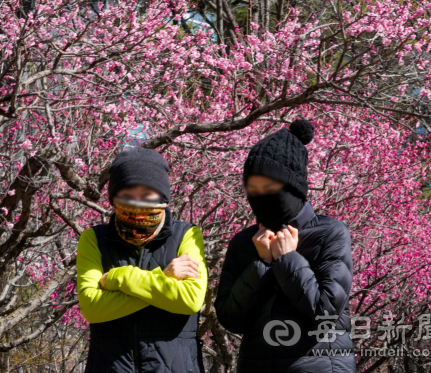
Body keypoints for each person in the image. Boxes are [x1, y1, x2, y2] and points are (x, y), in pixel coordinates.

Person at [215, 119, 355, 373]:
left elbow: (326, 313)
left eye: (269, 187)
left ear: (293, 187)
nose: (261, 197)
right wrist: (262, 263)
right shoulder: (245, 242)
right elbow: (230, 319)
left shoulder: (330, 233)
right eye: (253, 189)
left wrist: (288, 258)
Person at [77, 146, 208, 373]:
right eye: (127, 196)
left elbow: (190, 299)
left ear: (162, 196)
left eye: (147, 195)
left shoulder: (186, 235)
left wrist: (120, 277)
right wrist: (163, 277)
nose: (137, 203)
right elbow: (91, 308)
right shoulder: (95, 239)